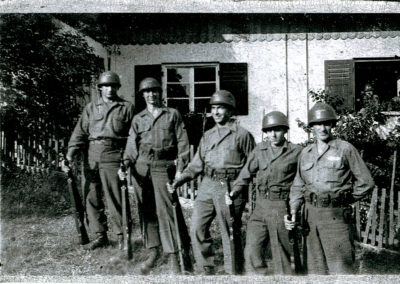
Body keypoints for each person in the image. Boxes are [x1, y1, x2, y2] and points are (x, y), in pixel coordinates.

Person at [285, 102, 375, 274]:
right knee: (315, 269)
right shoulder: (306, 153)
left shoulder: (345, 149)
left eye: (326, 123)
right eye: (318, 124)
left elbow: (366, 182)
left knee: (341, 270)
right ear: (312, 127)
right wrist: (294, 210)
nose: (323, 128)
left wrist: (345, 198)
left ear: (332, 125)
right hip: (310, 218)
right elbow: (298, 185)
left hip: (336, 218)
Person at [172, 90, 255, 275]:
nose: (216, 112)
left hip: (230, 186)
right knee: (196, 228)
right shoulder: (208, 135)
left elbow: (252, 165)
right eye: (214, 108)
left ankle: (231, 271)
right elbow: (196, 164)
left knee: (229, 232)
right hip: (207, 184)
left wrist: (241, 189)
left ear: (230, 111)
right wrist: (181, 179)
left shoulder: (242, 135)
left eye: (221, 108)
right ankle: (205, 268)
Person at [123, 77, 191, 274]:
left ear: (160, 93)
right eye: (147, 92)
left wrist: (180, 169)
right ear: (142, 95)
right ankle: (154, 250)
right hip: (142, 168)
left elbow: (183, 143)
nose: (151, 95)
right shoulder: (138, 118)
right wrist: (126, 163)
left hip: (163, 166)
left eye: (154, 91)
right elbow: (131, 145)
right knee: (147, 211)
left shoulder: (172, 115)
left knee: (166, 212)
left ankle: (173, 255)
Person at [66, 71, 135, 250]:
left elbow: (133, 136)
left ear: (118, 88)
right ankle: (100, 235)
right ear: (100, 89)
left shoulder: (126, 107)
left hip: (114, 154)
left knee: (115, 197)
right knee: (91, 196)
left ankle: (122, 237)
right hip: (92, 154)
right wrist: (70, 154)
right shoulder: (91, 107)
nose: (109, 89)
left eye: (113, 86)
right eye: (106, 86)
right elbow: (80, 132)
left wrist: (127, 158)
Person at [230, 111, 303, 275]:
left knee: (282, 255)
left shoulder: (296, 152)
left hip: (281, 206)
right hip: (260, 207)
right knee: (252, 251)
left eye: (277, 129)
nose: (273, 134)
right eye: (269, 130)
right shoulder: (259, 150)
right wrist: (235, 191)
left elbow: (302, 180)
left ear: (285, 130)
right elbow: (246, 173)